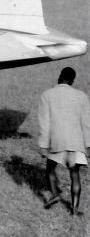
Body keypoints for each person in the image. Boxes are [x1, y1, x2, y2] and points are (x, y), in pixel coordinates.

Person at [37, 66, 90, 216]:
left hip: (57, 141)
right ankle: (74, 209)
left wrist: (43, 144)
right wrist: (88, 145)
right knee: (75, 174)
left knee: (50, 168)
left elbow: (44, 122)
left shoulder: (47, 95)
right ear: (73, 80)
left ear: (59, 76)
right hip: (76, 141)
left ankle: (55, 194)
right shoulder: (81, 96)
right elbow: (86, 123)